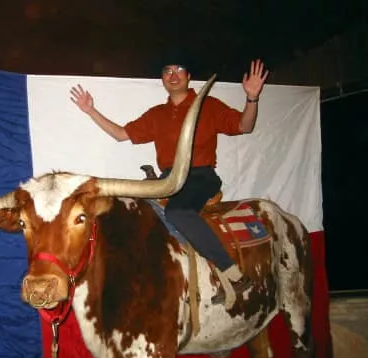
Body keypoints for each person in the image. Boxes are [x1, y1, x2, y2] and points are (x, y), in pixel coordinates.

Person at [70, 59, 268, 306]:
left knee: (178, 212)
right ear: (162, 78)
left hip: (200, 177)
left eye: (179, 70)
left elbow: (244, 126)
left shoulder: (208, 106)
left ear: (189, 76)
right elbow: (121, 134)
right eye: (167, 71)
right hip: (166, 180)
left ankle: (233, 274)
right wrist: (90, 110)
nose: (173, 75)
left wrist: (252, 98)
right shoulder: (157, 114)